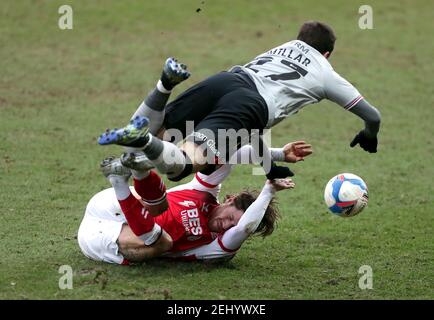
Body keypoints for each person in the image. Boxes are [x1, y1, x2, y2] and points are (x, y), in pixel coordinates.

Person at [97, 21, 381, 183]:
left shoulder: (282, 47)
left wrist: (269, 166)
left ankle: (164, 86)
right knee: (182, 166)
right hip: (251, 104)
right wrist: (369, 135)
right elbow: (373, 116)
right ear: (327, 54)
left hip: (227, 80)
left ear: (300, 39)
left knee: (159, 135)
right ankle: (145, 144)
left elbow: (247, 129)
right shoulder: (325, 73)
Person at [77, 141, 312, 264]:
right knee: (158, 205)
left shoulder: (217, 247)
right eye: (230, 217)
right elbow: (228, 152)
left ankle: (121, 179)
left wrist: (269, 190)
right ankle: (137, 173)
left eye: (231, 226)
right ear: (229, 199)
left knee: (163, 242)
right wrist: (279, 154)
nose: (226, 226)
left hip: (104, 241)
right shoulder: (204, 192)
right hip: (110, 205)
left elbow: (244, 227)